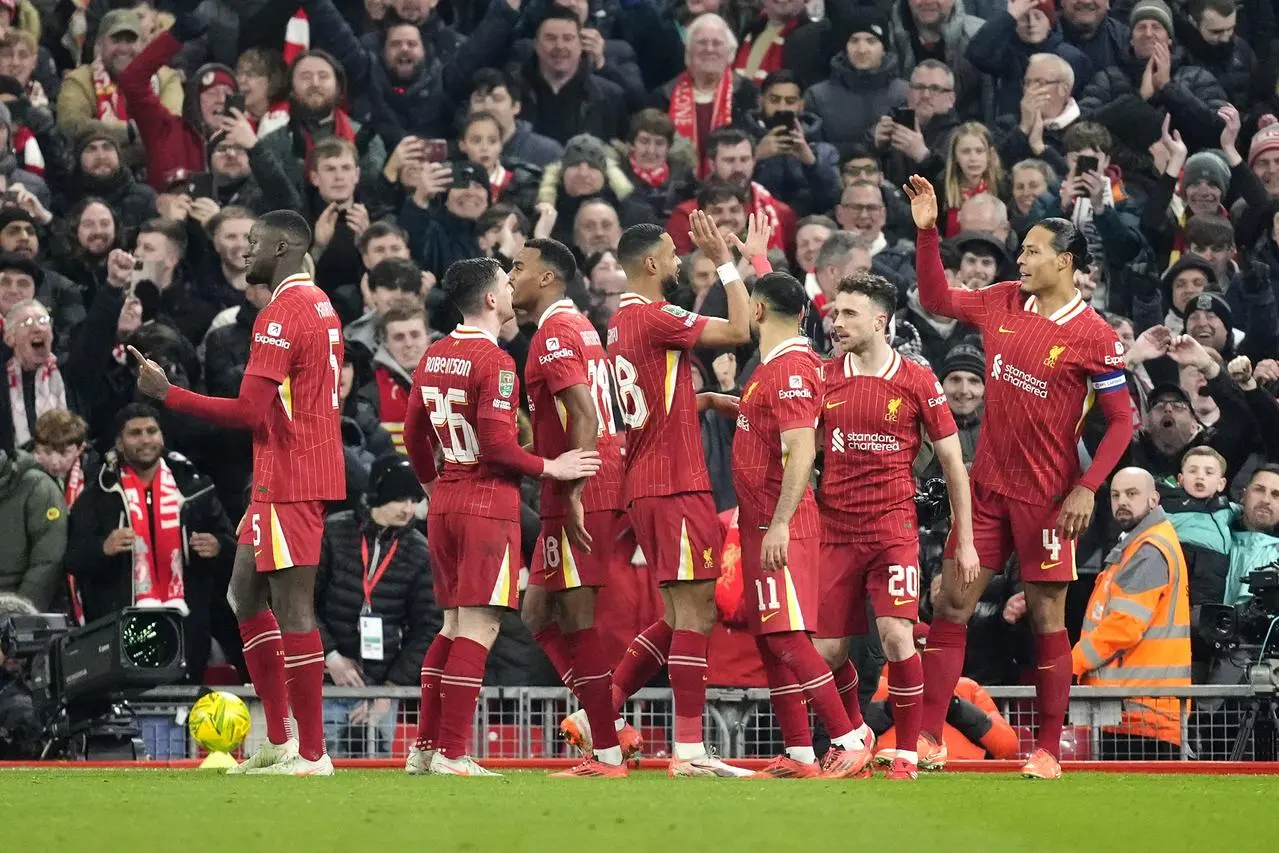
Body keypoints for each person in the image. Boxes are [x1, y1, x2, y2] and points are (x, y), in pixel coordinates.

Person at [905, 174, 1135, 779]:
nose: (1022, 260)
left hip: (1048, 499)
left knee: (1045, 618)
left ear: (1064, 261)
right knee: (952, 602)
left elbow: (1120, 422)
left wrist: (1087, 487)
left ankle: (1048, 751)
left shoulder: (1095, 336)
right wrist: (929, 232)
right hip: (986, 489)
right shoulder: (1003, 299)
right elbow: (936, 299)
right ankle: (927, 738)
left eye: (1032, 251)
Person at [129, 210, 345, 777]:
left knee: (293, 609)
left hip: (292, 478)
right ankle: (277, 739)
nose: (246, 252)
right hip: (284, 473)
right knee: (244, 595)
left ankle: (313, 752)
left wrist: (168, 394)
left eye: (255, 243)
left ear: (286, 248)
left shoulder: (280, 313)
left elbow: (250, 411)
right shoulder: (320, 304)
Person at [401, 256, 601, 776]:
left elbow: (415, 436)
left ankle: (425, 748)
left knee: (449, 626)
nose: (512, 294)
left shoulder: (433, 355)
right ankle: (452, 753)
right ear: (490, 300)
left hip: (445, 501)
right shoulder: (497, 363)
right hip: (488, 505)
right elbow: (495, 443)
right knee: (480, 628)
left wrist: (435, 487)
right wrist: (550, 466)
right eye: (505, 288)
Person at [597, 216, 757, 777]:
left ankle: (600, 709)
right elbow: (741, 331)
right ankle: (689, 751)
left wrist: (706, 400)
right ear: (648, 264)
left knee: (674, 613)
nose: (679, 261)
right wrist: (729, 261)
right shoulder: (655, 315)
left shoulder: (620, 322)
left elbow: (655, 398)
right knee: (697, 613)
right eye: (671, 254)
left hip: (649, 479)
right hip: (674, 481)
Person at [813, 272, 978, 780]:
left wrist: (964, 541)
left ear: (880, 321)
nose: (837, 323)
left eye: (849, 314)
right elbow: (801, 449)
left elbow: (953, 463)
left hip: (892, 529)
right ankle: (853, 736)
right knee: (827, 651)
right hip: (834, 531)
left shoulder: (917, 379)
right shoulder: (823, 376)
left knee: (896, 637)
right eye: (835, 313)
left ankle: (906, 751)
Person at [731, 268, 879, 779]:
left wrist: (779, 524)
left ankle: (848, 737)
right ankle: (798, 753)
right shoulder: (777, 365)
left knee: (791, 638)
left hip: (781, 523)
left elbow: (799, 452)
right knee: (772, 642)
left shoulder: (790, 368)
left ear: (755, 312)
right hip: (761, 521)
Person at [510, 237, 631, 776]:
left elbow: (584, 414)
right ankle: (607, 720)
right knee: (537, 609)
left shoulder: (556, 333)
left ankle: (604, 748)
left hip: (585, 485)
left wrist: (577, 491)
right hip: (577, 477)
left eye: (518, 266)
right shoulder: (575, 326)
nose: (510, 275)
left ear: (547, 277)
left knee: (577, 613)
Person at [64, 403, 236, 682]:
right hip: (120, 628)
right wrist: (102, 549)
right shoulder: (98, 494)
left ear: (162, 437)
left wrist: (218, 547)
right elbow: (72, 560)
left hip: (186, 628)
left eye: (151, 431)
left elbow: (232, 548)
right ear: (119, 443)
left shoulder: (195, 488)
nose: (145, 439)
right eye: (135, 433)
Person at [316, 454, 437, 758]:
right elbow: (303, 605)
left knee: (377, 778)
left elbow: (427, 628)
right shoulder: (334, 532)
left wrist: (390, 688)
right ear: (379, 495)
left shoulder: (419, 550)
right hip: (328, 683)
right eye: (400, 499)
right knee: (318, 776)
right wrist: (331, 656)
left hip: (382, 692)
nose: (409, 509)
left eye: (414, 499)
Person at [1073, 467, 1190, 759]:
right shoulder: (1137, 544)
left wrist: (1071, 664)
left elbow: (1124, 626)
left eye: (1132, 494)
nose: (1122, 501)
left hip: (1141, 711)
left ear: (1154, 499)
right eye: (1116, 495)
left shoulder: (1148, 549)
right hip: (1133, 709)